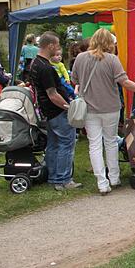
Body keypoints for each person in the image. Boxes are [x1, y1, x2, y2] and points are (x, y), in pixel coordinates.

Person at [72, 29, 135, 195]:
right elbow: (125, 83)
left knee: (94, 144)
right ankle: (114, 177)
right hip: (110, 107)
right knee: (110, 141)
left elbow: (74, 80)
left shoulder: (80, 58)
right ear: (110, 43)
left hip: (89, 108)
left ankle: (101, 183)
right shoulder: (112, 60)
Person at [30, 32, 81, 191]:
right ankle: (63, 179)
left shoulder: (35, 64)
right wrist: (68, 107)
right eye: (57, 45)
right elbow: (53, 94)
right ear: (50, 45)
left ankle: (52, 176)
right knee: (66, 143)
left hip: (47, 112)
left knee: (53, 144)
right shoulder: (46, 68)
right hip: (56, 111)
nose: (58, 48)